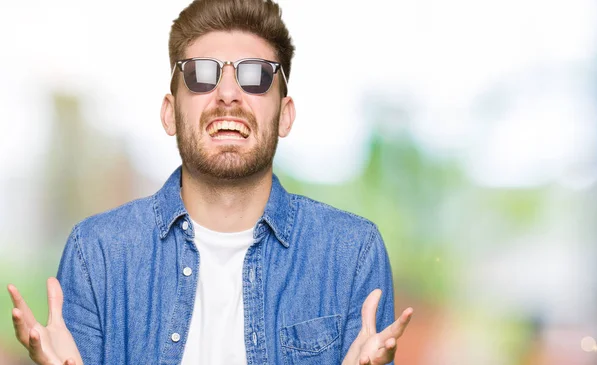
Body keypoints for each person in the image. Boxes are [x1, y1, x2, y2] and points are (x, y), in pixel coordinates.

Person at [7, 0, 413, 364]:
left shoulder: (351, 253)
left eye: (255, 76)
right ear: (169, 113)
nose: (228, 94)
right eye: (201, 75)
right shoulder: (96, 254)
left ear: (285, 115)